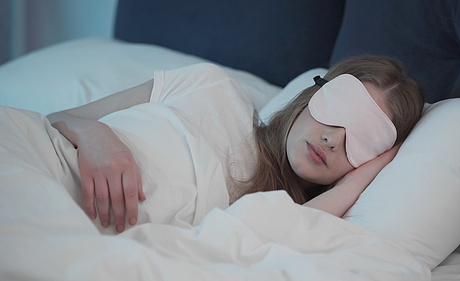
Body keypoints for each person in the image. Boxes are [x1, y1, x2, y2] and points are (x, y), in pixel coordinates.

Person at [47, 55, 425, 233]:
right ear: (315, 93)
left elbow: (274, 232)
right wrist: (95, 135)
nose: (332, 138)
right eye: (341, 108)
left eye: (363, 140)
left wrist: (358, 182)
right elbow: (52, 120)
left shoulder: (273, 218)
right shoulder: (208, 85)